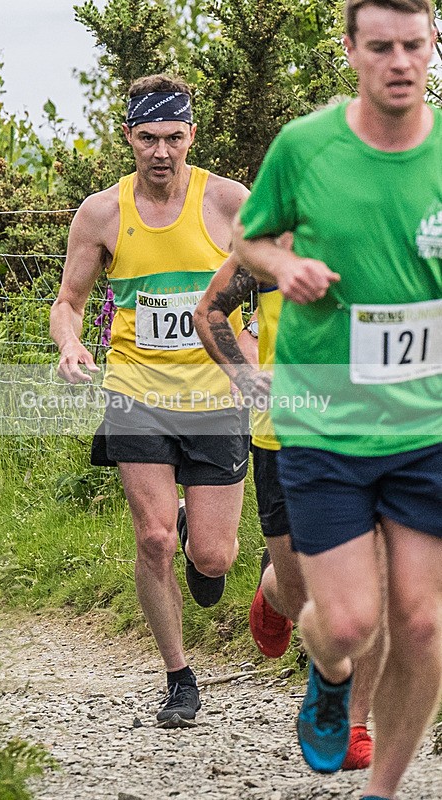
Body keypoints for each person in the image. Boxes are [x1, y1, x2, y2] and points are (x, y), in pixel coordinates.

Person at [231, 1, 442, 797]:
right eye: (379, 46)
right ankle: (326, 670)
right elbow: (246, 239)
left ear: (431, 47)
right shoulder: (305, 147)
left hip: (425, 422)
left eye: (412, 45)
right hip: (326, 421)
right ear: (350, 50)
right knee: (349, 621)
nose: (398, 62)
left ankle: (381, 791)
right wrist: (280, 268)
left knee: (420, 621)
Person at [50, 74, 250, 728]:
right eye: (147, 138)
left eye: (172, 137)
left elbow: (275, 289)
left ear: (191, 134)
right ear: (128, 137)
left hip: (216, 395)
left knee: (212, 559)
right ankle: (177, 676)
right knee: (153, 536)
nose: (160, 152)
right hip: (135, 391)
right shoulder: (100, 214)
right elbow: (67, 303)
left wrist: (254, 349)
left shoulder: (228, 203)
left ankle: (199, 525)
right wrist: (71, 347)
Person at [194, 251, 388, 771]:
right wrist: (245, 376)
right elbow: (210, 310)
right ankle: (272, 590)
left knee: (374, 583)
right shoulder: (275, 241)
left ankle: (352, 720)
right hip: (285, 436)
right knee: (304, 592)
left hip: (370, 432)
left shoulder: (387, 225)